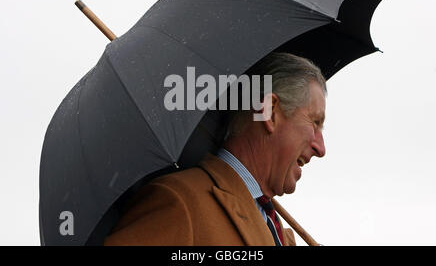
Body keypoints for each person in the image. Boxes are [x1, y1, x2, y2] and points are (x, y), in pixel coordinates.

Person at [104, 52, 327, 246]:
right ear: (270, 112)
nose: (321, 148)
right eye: (315, 122)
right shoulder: (180, 204)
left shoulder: (274, 227)